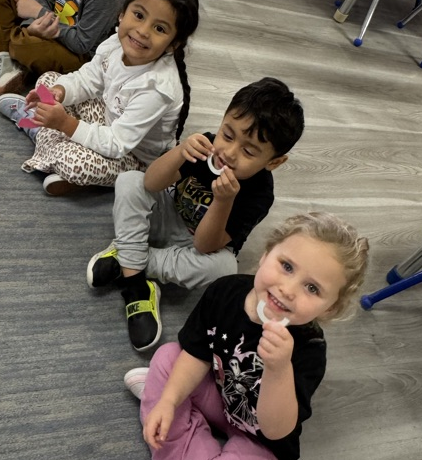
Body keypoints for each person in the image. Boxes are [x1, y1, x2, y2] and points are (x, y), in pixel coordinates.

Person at [123, 212, 370, 460]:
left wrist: (279, 369)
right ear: (266, 254)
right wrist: (169, 401)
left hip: (259, 437)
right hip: (221, 394)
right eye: (286, 266)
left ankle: (180, 422)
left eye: (312, 288)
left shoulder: (309, 350)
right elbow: (196, 354)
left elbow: (276, 429)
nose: (288, 290)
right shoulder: (225, 292)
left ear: (329, 309)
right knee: (168, 357)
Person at [87, 78, 304, 352]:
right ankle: (136, 284)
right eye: (227, 134)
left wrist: (224, 201)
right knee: (130, 180)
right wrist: (180, 152)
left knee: (224, 269)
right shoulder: (206, 147)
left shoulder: (259, 194)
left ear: (273, 162)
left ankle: (128, 259)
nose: (229, 152)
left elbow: (205, 245)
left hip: (197, 246)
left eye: (249, 151)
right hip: (168, 214)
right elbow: (151, 184)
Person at [0, 0, 199, 196]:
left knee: (74, 163)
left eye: (160, 29)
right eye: (139, 15)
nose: (142, 32)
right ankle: (48, 133)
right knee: (49, 81)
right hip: (107, 114)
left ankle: (41, 133)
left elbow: (118, 144)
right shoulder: (116, 42)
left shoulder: (157, 88)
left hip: (134, 156)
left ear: (173, 44)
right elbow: (87, 80)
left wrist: (65, 124)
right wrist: (59, 93)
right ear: (122, 13)